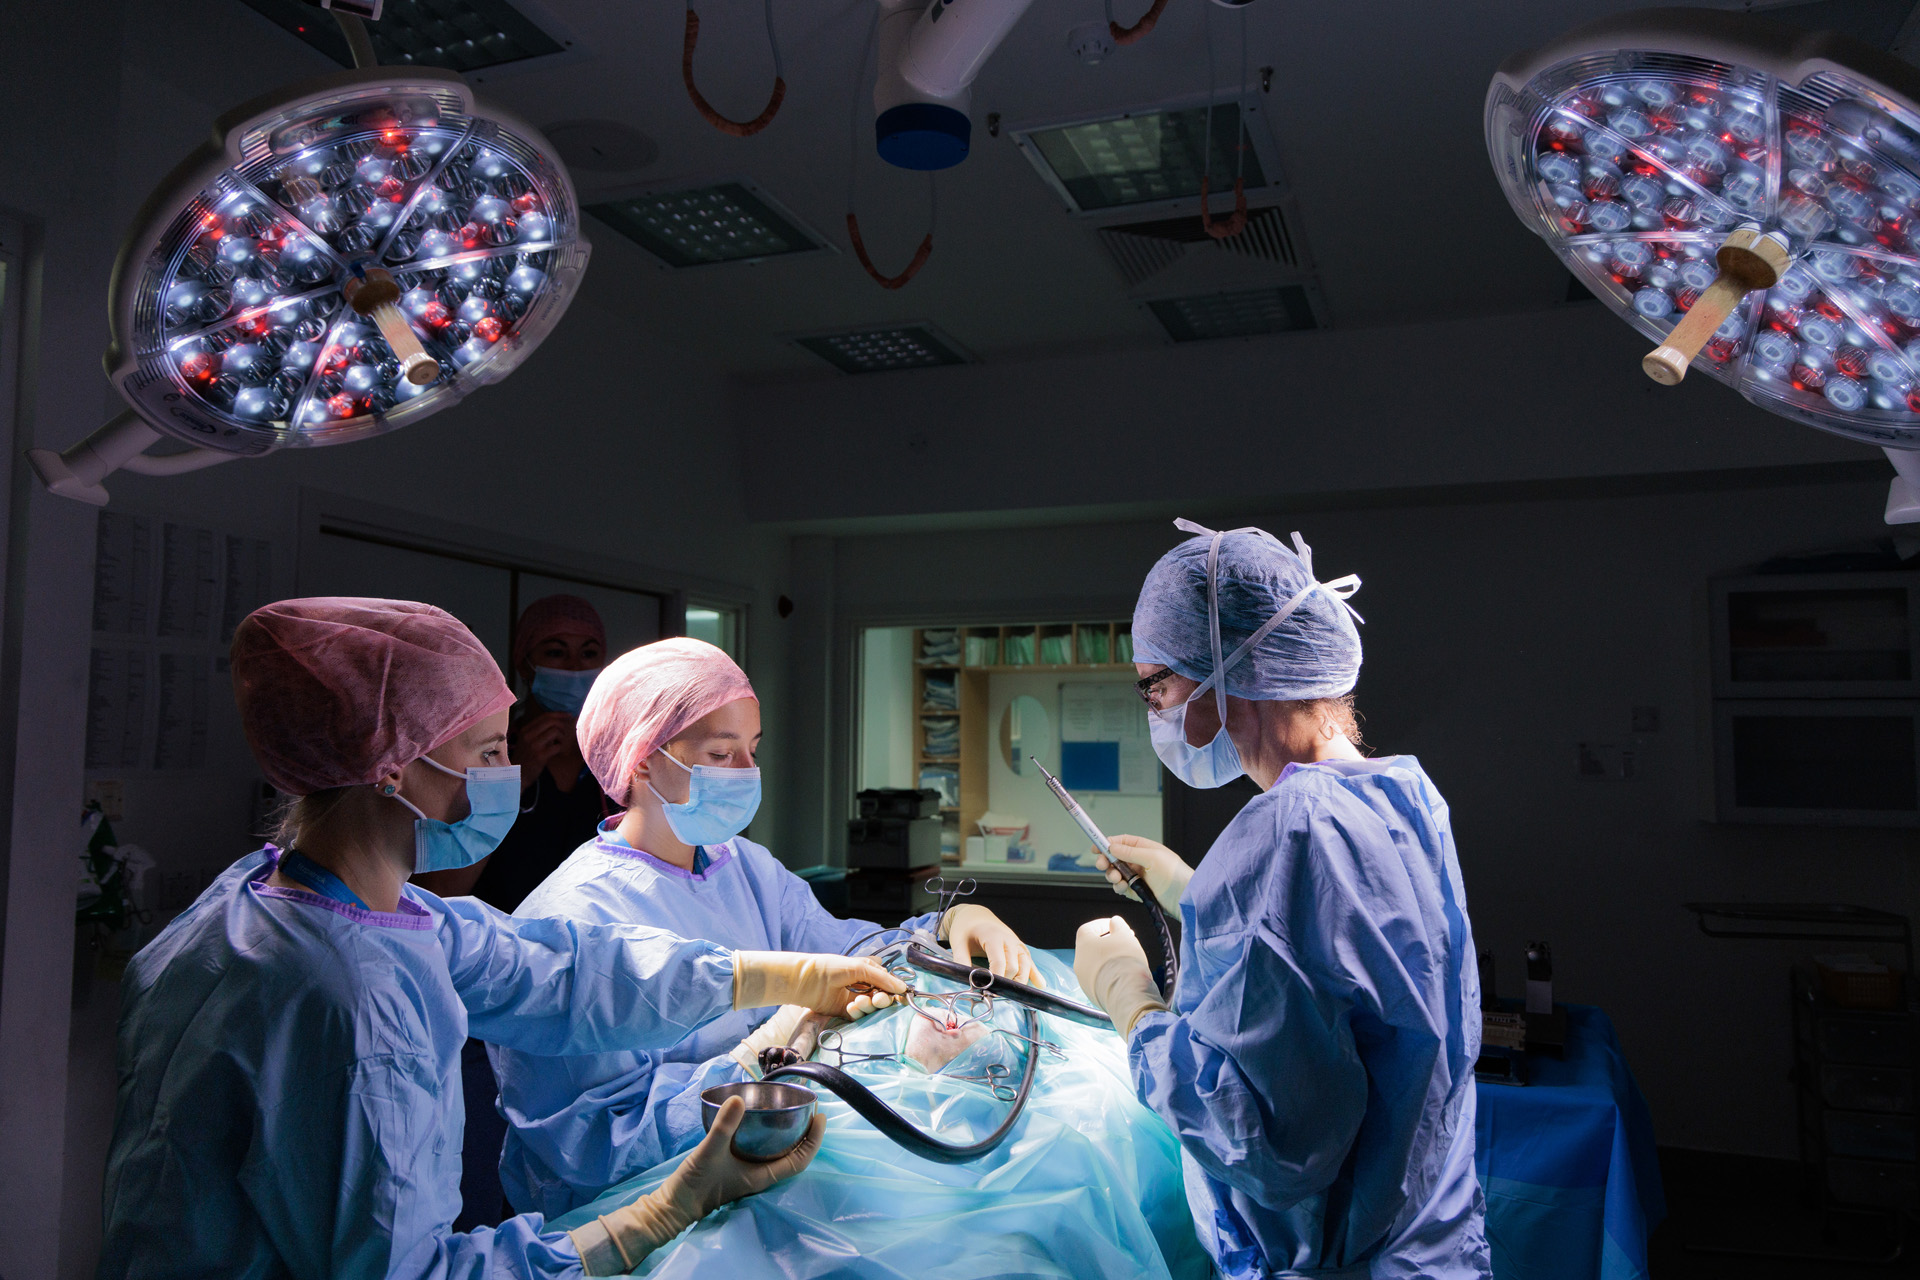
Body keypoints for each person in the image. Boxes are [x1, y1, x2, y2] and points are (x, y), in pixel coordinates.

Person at [97, 598, 904, 1279]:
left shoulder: (270, 899)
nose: (506, 774)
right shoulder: (351, 1007)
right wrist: (663, 1211)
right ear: (391, 769)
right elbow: (412, 1274)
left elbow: (555, 970)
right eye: (486, 753)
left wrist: (775, 976)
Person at [492, 637, 1044, 1218]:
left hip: (756, 1160)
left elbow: (846, 953)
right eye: (723, 754)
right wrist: (763, 1057)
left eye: (753, 750)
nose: (748, 773)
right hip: (628, 1212)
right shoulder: (569, 920)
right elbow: (596, 1147)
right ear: (643, 760)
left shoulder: (741, 866)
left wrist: (945, 928)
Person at [1072, 521, 1491, 1280]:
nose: (1159, 711)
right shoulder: (1404, 798)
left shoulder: (1289, 833)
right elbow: (1357, 975)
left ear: (1215, 678)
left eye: (1156, 685)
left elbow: (1264, 1144)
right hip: (1433, 1248)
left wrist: (1130, 1002)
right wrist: (1194, 890)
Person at [415, 593, 609, 910]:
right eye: (556, 652)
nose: (575, 667)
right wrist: (513, 778)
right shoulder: (485, 754)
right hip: (494, 947)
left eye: (588, 653)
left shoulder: (614, 764)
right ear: (525, 664)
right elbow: (439, 893)